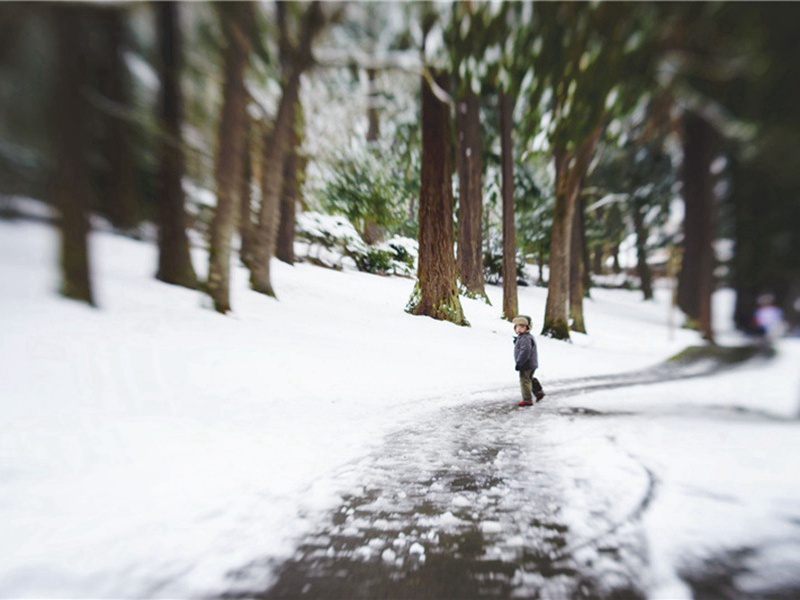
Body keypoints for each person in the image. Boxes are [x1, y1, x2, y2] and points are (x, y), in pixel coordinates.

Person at [513, 315, 545, 407]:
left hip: (525, 363)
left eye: (522, 327)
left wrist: (520, 362)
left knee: (524, 380)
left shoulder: (525, 338)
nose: (519, 329)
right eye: (517, 327)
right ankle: (538, 392)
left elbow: (525, 351)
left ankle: (527, 399)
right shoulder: (525, 337)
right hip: (531, 363)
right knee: (530, 378)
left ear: (528, 328)